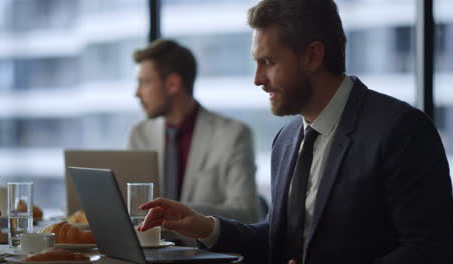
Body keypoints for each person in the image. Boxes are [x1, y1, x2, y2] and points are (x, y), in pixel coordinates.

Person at [139, 0, 453, 263]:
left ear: (313, 56)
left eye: (269, 62)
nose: (257, 79)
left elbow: (429, 251)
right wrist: (205, 226)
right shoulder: (287, 139)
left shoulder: (401, 130)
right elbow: (278, 239)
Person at [127, 39, 262, 224]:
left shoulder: (233, 135)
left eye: (145, 82)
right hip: (148, 249)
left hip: (203, 250)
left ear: (173, 84)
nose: (137, 93)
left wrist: (177, 212)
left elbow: (247, 214)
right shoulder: (139, 135)